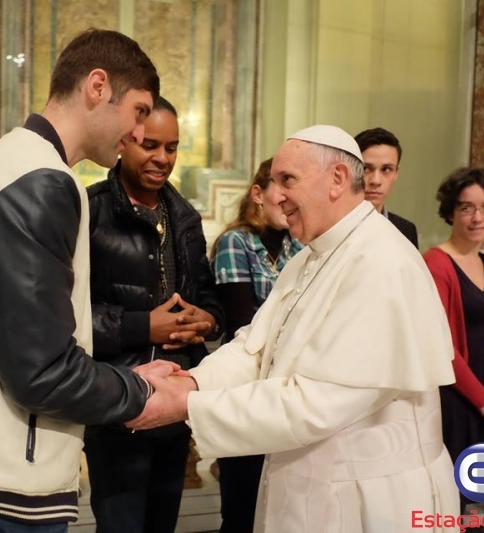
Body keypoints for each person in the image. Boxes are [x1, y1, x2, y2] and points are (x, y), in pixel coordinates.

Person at [0, 29, 178, 533]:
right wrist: (136, 389)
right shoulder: (41, 182)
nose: (136, 132)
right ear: (98, 85)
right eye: (137, 111)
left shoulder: (7, 161)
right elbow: (42, 372)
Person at [128, 125, 461, 532]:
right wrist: (189, 382)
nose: (275, 196)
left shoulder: (382, 262)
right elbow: (256, 348)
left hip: (371, 500)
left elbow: (317, 402)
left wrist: (186, 406)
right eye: (273, 183)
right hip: (314, 485)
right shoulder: (313, 255)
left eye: (288, 180)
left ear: (337, 179)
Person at [84, 96, 224, 533]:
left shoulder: (183, 216)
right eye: (151, 145)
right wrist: (145, 325)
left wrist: (206, 320)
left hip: (176, 401)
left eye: (172, 147)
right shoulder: (89, 210)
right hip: (117, 400)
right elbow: (66, 318)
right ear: (125, 142)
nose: (162, 158)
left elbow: (208, 299)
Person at [209, 158, 302, 533]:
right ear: (258, 194)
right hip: (248, 389)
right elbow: (243, 324)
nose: (286, 196)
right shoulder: (237, 242)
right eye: (277, 185)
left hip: (287, 391)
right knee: (242, 506)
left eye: (292, 185)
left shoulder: (300, 245)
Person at [422, 167, 484, 513]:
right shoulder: (436, 264)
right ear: (451, 211)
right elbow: (441, 348)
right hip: (454, 394)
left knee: (482, 494)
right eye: (467, 208)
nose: (478, 217)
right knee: (452, 495)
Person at [355, 127, 419, 247]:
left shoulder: (406, 230)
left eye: (386, 169)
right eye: (366, 168)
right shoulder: (329, 227)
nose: (376, 180)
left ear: (396, 173)